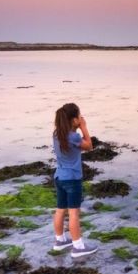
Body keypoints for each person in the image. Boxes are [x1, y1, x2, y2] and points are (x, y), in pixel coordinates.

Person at [52, 102, 97, 258]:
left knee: (60, 209)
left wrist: (76, 126)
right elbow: (89, 146)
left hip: (59, 177)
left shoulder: (56, 134)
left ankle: (60, 241)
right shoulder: (74, 136)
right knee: (74, 213)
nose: (81, 118)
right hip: (72, 179)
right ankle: (78, 247)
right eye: (79, 116)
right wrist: (84, 127)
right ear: (73, 120)